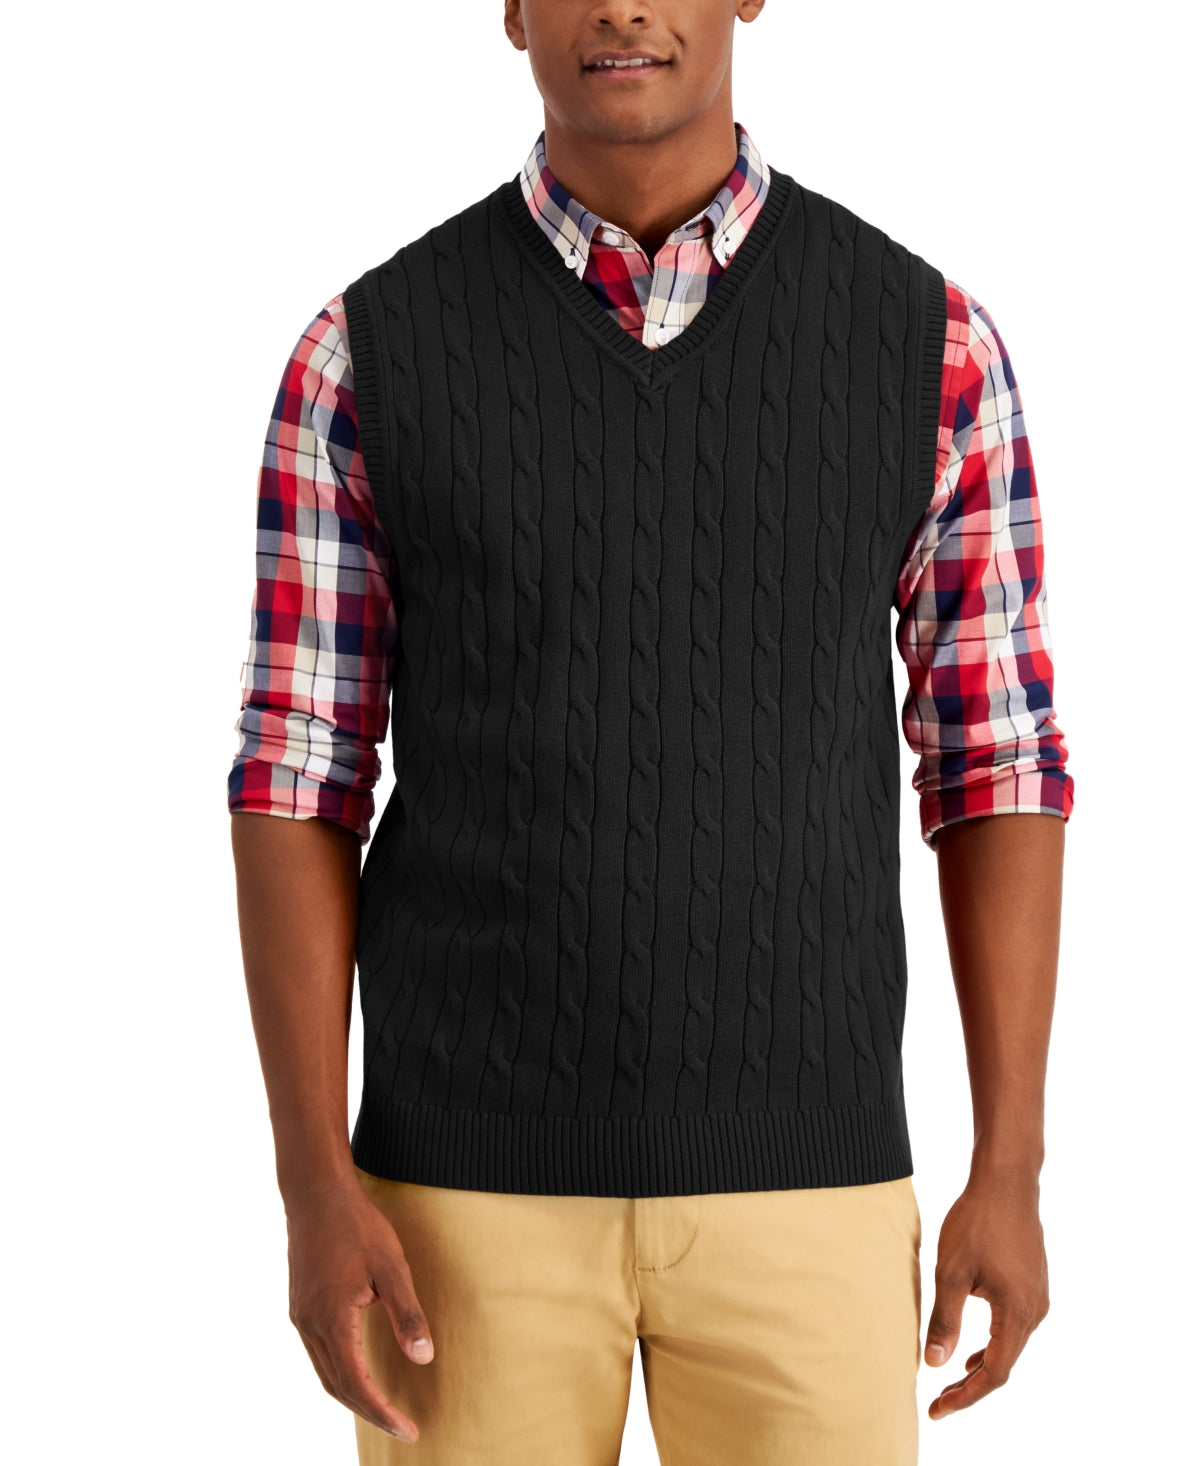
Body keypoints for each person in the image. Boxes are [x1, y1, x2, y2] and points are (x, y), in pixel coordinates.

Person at [228, 2, 1073, 1461]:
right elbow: (298, 777)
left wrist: (1012, 1162)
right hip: (455, 1206)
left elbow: (995, 759)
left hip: (810, 1186)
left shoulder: (930, 345)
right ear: (511, 8)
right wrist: (313, 1184)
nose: (622, 5)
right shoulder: (363, 356)